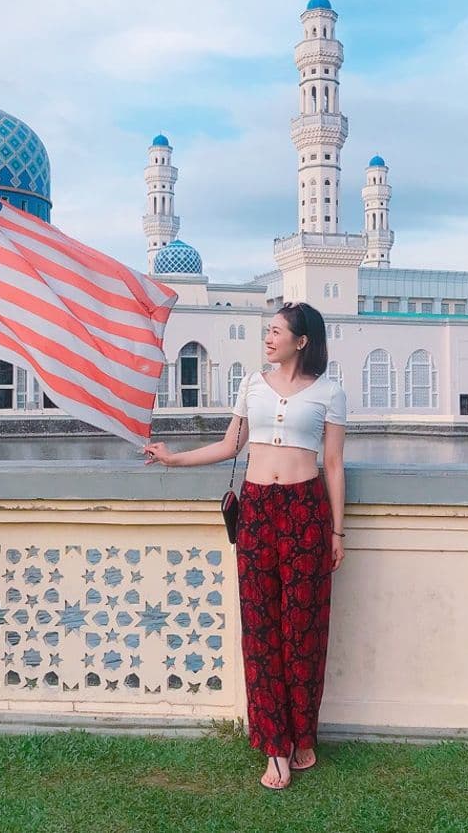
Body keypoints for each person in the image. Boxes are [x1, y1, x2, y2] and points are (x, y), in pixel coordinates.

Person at [142, 301, 346, 790]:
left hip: (306, 512)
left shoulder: (330, 391)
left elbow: (334, 464)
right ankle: (274, 745)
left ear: (302, 341)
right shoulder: (251, 384)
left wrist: (338, 532)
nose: (268, 338)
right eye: (267, 331)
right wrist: (173, 459)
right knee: (259, 628)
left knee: (304, 627)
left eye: (276, 332)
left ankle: (302, 735)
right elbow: (230, 446)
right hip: (256, 510)